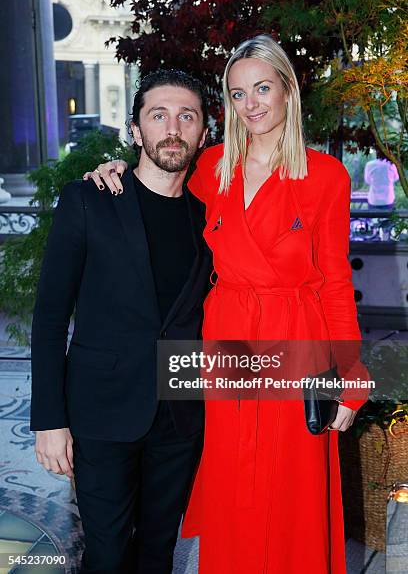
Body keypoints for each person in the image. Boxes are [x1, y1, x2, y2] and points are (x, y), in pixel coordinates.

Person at [85, 35, 368, 573]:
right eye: (237, 94)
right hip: (228, 339)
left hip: (296, 341)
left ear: (288, 90)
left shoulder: (325, 175)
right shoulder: (211, 167)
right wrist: (111, 169)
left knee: (291, 491)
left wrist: (351, 375)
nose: (251, 104)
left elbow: (334, 282)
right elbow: (155, 184)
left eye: (262, 88)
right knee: (233, 483)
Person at [30, 69, 213, 574]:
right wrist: (49, 419)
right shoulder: (87, 200)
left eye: (186, 116)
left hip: (178, 415)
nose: (172, 127)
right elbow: (49, 317)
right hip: (101, 413)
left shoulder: (208, 218)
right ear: (136, 130)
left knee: (157, 553)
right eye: (159, 115)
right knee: (107, 555)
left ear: (202, 132)